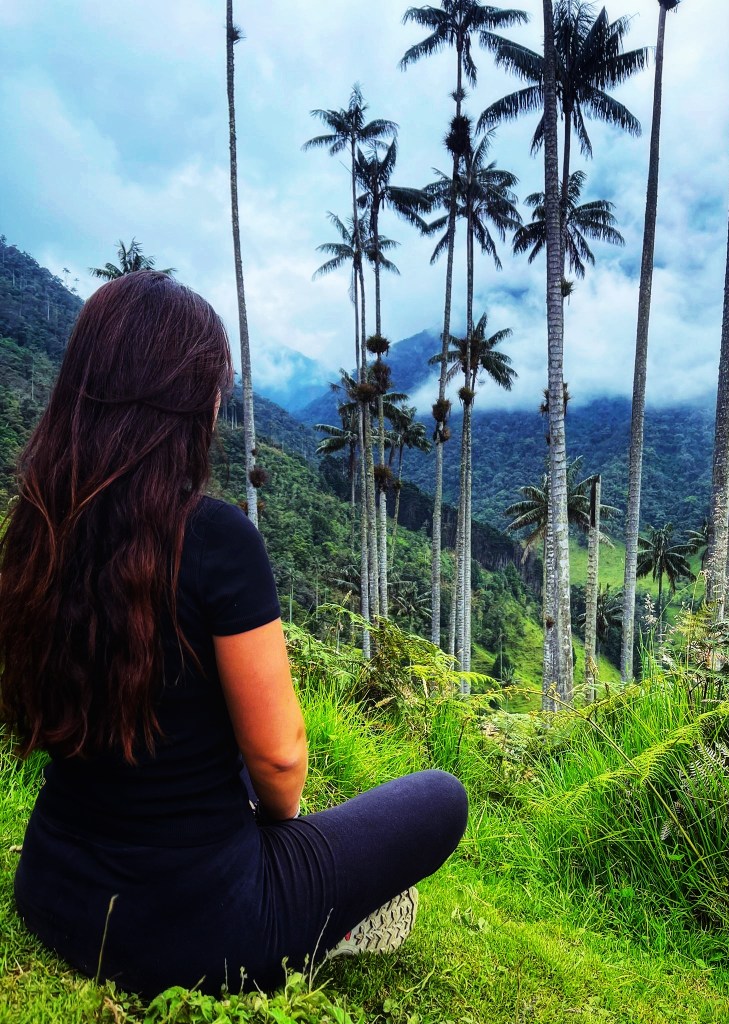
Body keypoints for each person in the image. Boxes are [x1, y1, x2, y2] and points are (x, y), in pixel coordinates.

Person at [0, 271, 468, 998]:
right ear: (193, 403)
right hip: (201, 929)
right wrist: (275, 827)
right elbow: (281, 763)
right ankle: (326, 928)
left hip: (54, 890)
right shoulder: (216, 537)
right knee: (441, 797)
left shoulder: (39, 521)